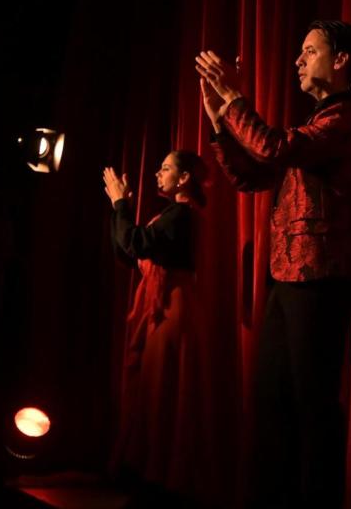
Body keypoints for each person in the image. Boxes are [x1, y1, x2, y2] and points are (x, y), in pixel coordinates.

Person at [195, 20, 351, 508]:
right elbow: (252, 176)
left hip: (321, 279)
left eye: (309, 51)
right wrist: (218, 121)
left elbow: (274, 147)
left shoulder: (346, 119)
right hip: (288, 277)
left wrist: (234, 100)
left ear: (340, 61)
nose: (297, 61)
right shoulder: (317, 122)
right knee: (274, 401)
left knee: (312, 407)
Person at [103, 150, 209, 506]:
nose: (156, 173)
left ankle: (160, 483)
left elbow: (135, 243)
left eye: (165, 168)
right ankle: (148, 477)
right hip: (159, 308)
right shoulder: (168, 214)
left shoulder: (181, 215)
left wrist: (120, 205)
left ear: (183, 179)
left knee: (161, 393)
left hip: (172, 308)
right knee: (151, 393)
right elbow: (128, 251)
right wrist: (121, 208)